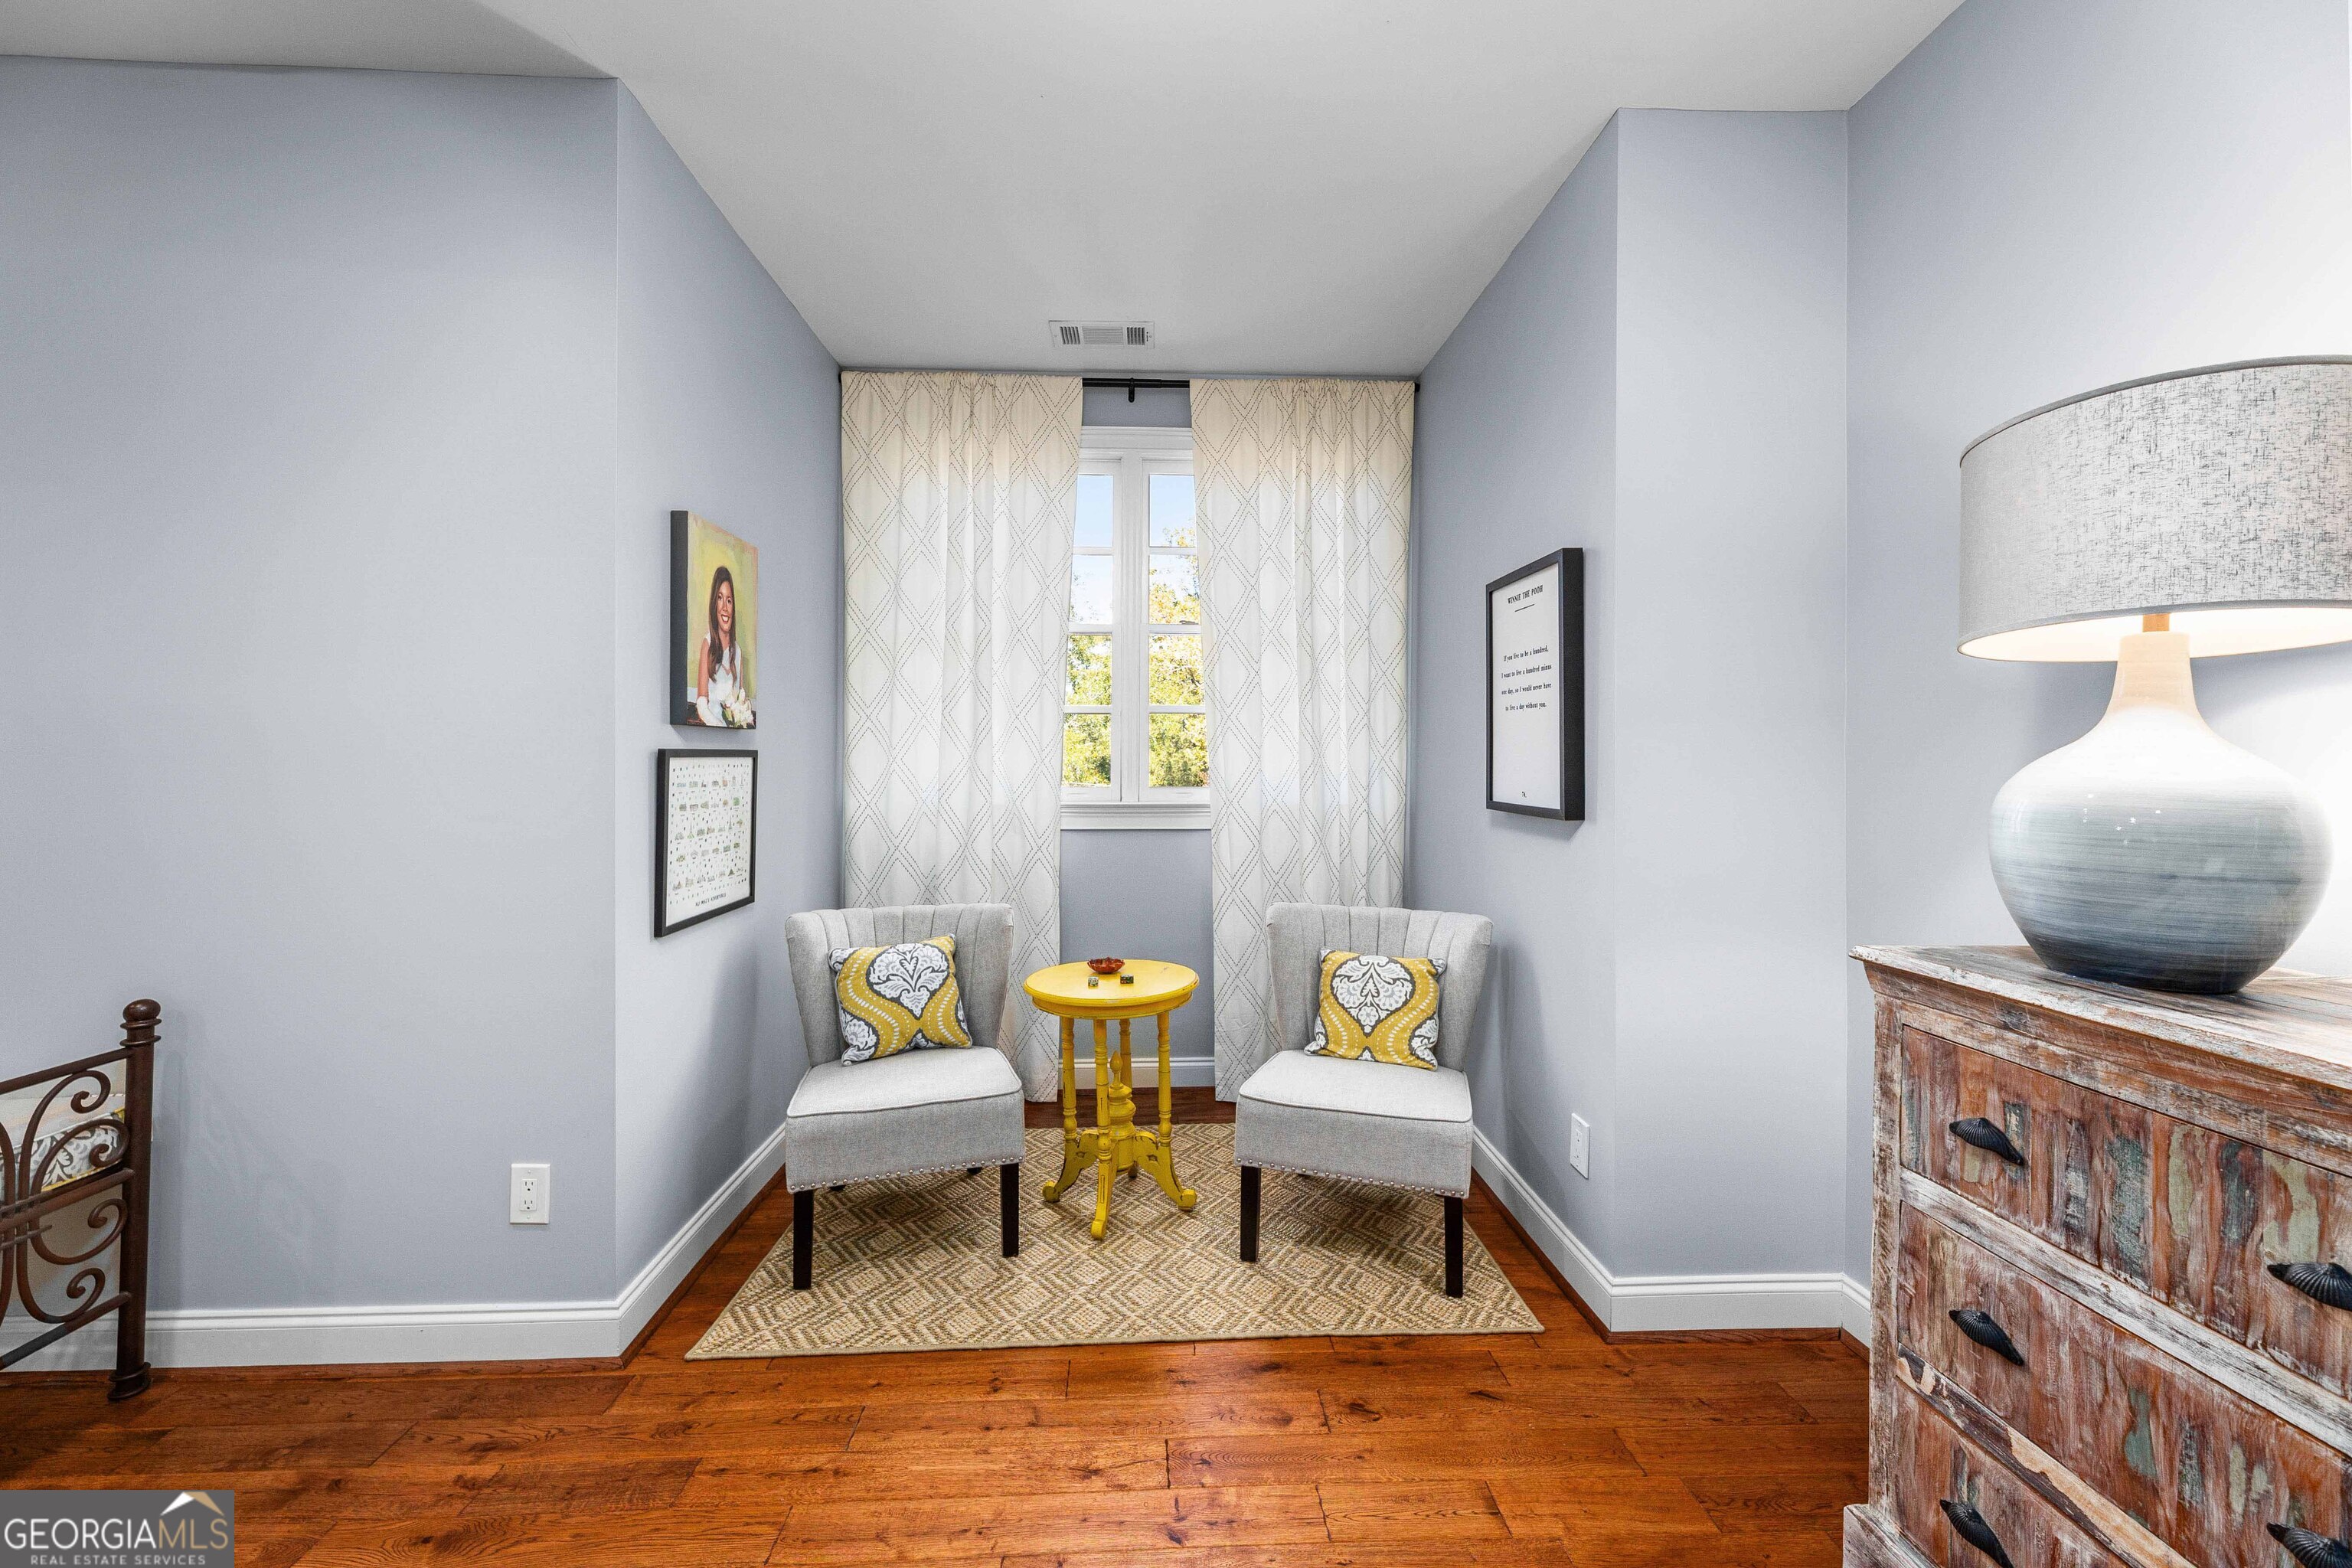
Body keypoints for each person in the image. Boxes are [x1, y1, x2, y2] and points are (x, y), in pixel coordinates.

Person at [695, 566, 748, 724]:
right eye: (720, 598)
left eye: (729, 601)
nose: (725, 607)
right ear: (714, 605)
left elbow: (740, 699)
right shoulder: (708, 643)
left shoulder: (737, 652)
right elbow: (701, 704)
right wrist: (718, 725)